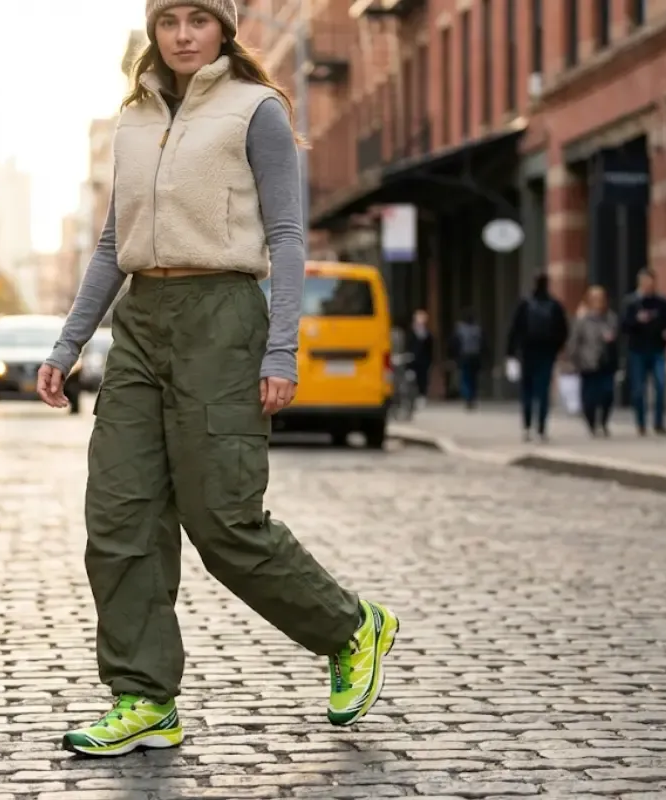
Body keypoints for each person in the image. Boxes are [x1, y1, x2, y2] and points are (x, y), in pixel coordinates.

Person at [36, 0, 398, 759]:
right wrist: (68, 344)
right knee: (119, 513)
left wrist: (281, 348)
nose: (182, 36)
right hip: (141, 323)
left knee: (223, 521)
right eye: (169, 21)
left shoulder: (256, 109)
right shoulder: (133, 119)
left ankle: (350, 627)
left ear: (223, 28)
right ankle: (143, 697)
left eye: (198, 20)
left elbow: (288, 236)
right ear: (153, 30)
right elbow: (112, 242)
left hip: (224, 317)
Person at [506, 273, 569, 442]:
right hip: (546, 353)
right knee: (542, 391)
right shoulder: (554, 305)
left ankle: (527, 426)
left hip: (527, 352)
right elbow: (563, 330)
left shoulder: (525, 304)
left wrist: (511, 353)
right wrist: (556, 348)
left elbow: (514, 330)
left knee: (527, 390)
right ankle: (541, 427)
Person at [621, 269, 666, 436]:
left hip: (657, 349)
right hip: (637, 350)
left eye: (651, 283)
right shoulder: (631, 302)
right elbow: (623, 326)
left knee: (660, 385)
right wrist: (637, 320)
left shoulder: (661, 303)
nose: (648, 286)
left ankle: (659, 422)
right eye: (645, 283)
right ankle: (641, 423)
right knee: (639, 389)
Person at [566, 286, 619, 437]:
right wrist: (575, 360)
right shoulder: (582, 319)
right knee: (589, 397)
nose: (598, 302)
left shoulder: (611, 318)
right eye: (595, 299)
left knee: (607, 394)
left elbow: (617, 338)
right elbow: (574, 342)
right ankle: (591, 422)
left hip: (606, 362)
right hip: (588, 363)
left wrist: (611, 340)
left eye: (601, 299)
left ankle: (603, 422)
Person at [451, 309, 484, 409]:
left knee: (465, 377)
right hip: (475, 356)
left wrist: (454, 355)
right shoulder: (478, 330)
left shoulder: (460, 330)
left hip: (464, 355)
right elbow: (483, 344)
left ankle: (468, 396)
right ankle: (472, 396)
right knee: (474, 378)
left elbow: (454, 343)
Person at [405, 309, 434, 406]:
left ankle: (422, 396)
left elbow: (430, 348)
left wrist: (430, 360)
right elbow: (408, 345)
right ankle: (412, 397)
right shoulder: (411, 332)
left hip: (424, 360)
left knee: (423, 379)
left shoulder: (428, 334)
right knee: (411, 379)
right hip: (412, 360)